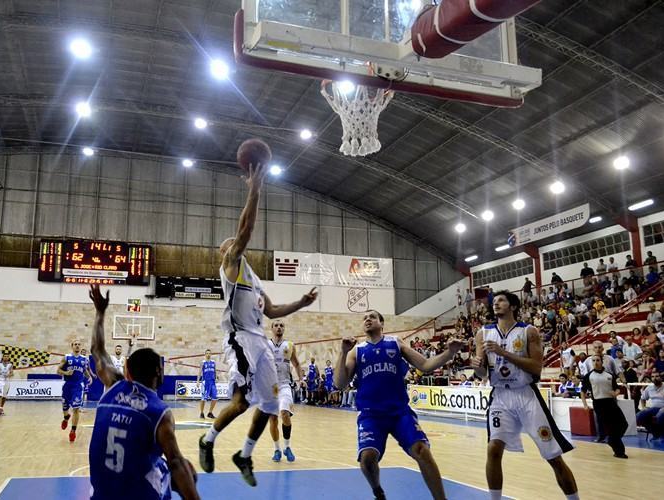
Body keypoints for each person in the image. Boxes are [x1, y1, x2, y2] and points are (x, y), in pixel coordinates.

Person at [198, 159, 318, 487]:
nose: (231, 245)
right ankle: (207, 440)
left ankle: (245, 455)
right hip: (240, 339)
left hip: (260, 341)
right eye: (229, 245)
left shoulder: (254, 279)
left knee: (267, 405)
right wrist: (255, 189)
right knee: (239, 403)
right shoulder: (231, 267)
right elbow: (246, 230)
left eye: (232, 244)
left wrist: (302, 303)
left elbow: (274, 311)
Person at [336, 310, 465, 500]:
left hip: (399, 412)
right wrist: (343, 351)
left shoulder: (395, 343)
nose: (368, 319)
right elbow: (340, 383)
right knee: (367, 459)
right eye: (365, 318)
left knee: (422, 450)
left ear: (382, 323)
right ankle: (378, 491)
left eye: (372, 316)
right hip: (371, 415)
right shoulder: (357, 350)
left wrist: (450, 352)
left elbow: (426, 365)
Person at [86, 285, 199, 500]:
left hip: (101, 494)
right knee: (185, 469)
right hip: (137, 495)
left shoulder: (114, 385)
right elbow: (175, 461)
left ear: (127, 371)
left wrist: (100, 312)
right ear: (158, 371)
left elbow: (97, 350)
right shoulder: (158, 412)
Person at [470, 290, 578, 500]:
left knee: (553, 457)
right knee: (493, 449)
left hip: (526, 395)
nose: (496, 304)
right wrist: (477, 367)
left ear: (512, 306)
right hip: (500, 396)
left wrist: (504, 353)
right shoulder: (483, 333)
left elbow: (536, 368)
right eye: (495, 301)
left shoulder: (528, 331)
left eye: (501, 300)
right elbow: (482, 373)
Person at [267, 319, 303, 463]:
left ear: (284, 329)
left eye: (282, 325)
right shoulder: (265, 345)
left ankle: (287, 447)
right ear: (272, 329)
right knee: (273, 419)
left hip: (284, 385)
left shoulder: (289, 345)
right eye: (276, 325)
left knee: (284, 414)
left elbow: (297, 363)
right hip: (269, 387)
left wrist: (301, 379)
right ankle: (277, 449)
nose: (279, 327)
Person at [581, 355, 628, 459]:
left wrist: (615, 393)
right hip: (599, 404)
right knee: (611, 427)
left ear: (602, 362)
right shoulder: (588, 376)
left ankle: (612, 440)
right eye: (593, 361)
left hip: (611, 402)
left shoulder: (610, 375)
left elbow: (617, 388)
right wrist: (585, 404)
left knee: (623, 424)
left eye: (597, 360)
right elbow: (583, 391)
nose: (595, 362)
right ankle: (619, 452)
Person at [57, 338, 93, 442]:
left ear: (80, 346)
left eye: (79, 344)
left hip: (78, 386)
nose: (77, 346)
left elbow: (85, 370)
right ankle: (66, 417)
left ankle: (73, 431)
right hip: (67, 386)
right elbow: (58, 370)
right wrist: (66, 373)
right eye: (75, 344)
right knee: (65, 408)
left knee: (76, 408)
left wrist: (89, 377)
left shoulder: (84, 359)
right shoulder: (67, 357)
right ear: (72, 346)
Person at [636, 373, 664, 439]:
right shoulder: (649, 388)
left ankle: (663, 435)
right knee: (639, 416)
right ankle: (655, 433)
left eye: (657, 376)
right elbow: (643, 398)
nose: (654, 378)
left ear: (661, 378)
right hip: (654, 408)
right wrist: (644, 407)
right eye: (652, 376)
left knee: (659, 417)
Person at [197, 350, 217, 419]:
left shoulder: (213, 362)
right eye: (207, 353)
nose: (208, 354)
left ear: (211, 354)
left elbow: (215, 371)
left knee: (215, 398)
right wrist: (197, 381)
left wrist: (216, 377)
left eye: (209, 353)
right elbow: (199, 372)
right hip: (205, 382)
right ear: (205, 354)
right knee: (203, 399)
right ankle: (201, 413)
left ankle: (210, 413)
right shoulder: (203, 362)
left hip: (212, 382)